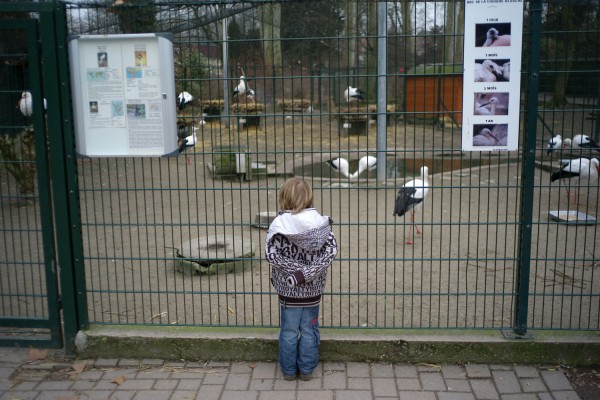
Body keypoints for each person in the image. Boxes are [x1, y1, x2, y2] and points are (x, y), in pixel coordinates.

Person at [265, 178, 338, 381]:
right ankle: (306, 370)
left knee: (288, 331)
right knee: (309, 329)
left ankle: (289, 371)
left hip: (288, 292)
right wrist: (307, 274)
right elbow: (331, 251)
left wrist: (297, 274)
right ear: (309, 198)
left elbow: (272, 256)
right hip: (313, 291)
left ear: (284, 198)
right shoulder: (322, 225)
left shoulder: (278, 226)